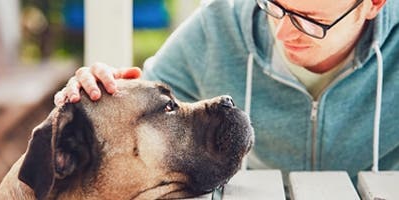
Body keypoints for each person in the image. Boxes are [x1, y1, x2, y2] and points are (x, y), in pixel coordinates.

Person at [55, 0, 399, 183]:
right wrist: (100, 99)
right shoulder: (217, 26)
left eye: (310, 21)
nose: (280, 34)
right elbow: (143, 108)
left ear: (374, 3)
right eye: (275, 7)